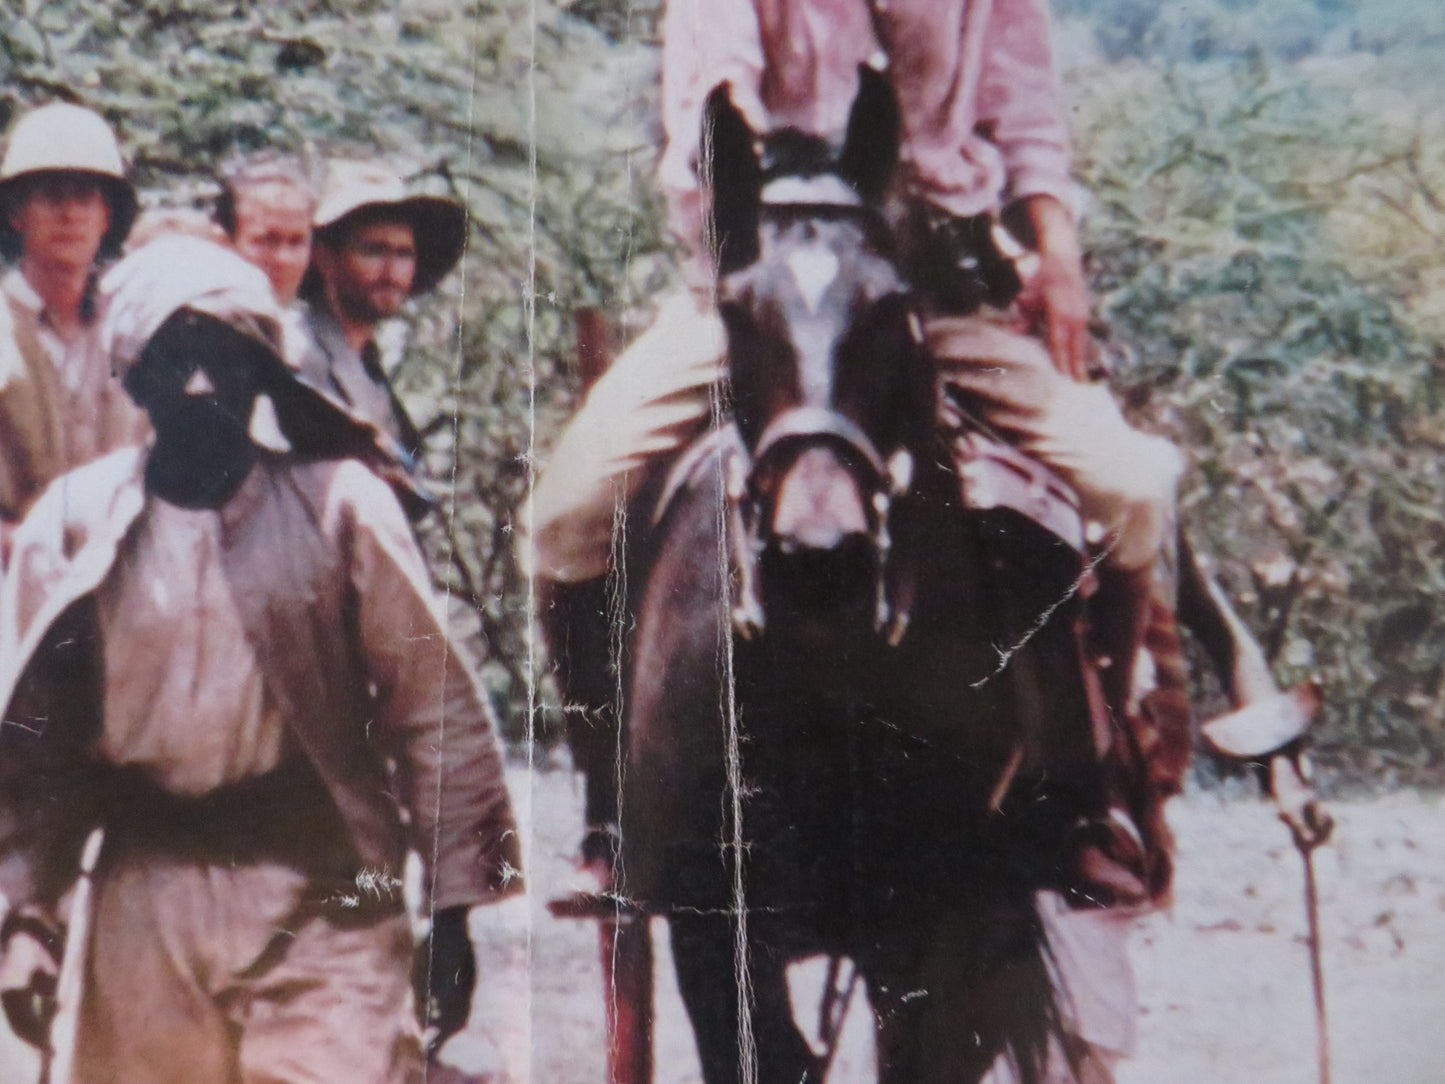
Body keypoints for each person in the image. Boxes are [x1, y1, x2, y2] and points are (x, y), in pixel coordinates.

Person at [0, 237, 521, 1082]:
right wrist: (30, 920)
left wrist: (457, 912)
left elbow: (431, 706)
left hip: (323, 888)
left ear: (265, 372)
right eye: (177, 359)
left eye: (228, 357)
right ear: (133, 376)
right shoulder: (74, 523)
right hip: (146, 899)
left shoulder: (341, 508)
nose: (202, 385)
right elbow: (37, 751)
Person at [0, 101, 147, 527]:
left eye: (84, 197)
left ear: (107, 216)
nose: (69, 214)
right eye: (52, 197)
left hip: (120, 562)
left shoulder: (134, 326)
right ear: (17, 214)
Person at [298, 160, 467, 465]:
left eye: (404, 254)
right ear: (325, 259)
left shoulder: (370, 369)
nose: (391, 272)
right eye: (373, 250)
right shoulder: (296, 351)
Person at [215, 152, 316, 307]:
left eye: (296, 242)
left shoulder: (307, 329)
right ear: (223, 244)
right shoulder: (192, 326)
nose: (284, 259)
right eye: (268, 241)